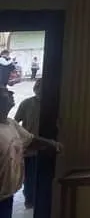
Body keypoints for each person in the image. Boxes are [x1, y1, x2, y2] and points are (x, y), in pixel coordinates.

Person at [0, 87, 61, 216]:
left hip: (7, 195)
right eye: (5, 92)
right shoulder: (27, 104)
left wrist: (52, 144)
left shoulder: (11, 124)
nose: (12, 92)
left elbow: (31, 140)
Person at [15, 79, 41, 209]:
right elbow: (15, 121)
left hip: (45, 147)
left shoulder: (53, 104)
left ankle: (39, 199)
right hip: (30, 148)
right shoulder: (26, 103)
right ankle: (29, 200)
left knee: (43, 175)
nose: (40, 89)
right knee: (29, 176)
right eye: (38, 86)